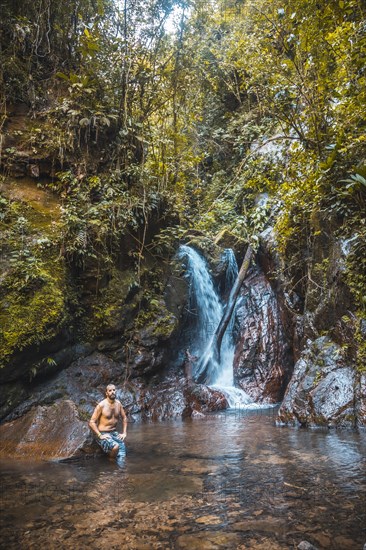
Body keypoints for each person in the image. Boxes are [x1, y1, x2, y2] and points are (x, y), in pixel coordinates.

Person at [89, 384, 127, 461]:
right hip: (103, 433)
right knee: (115, 446)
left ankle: (120, 470)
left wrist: (124, 433)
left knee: (122, 452)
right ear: (106, 393)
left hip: (114, 432)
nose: (112, 392)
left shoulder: (118, 404)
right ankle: (111, 463)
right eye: (110, 390)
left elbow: (124, 418)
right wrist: (99, 435)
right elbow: (91, 422)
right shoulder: (101, 405)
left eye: (114, 390)